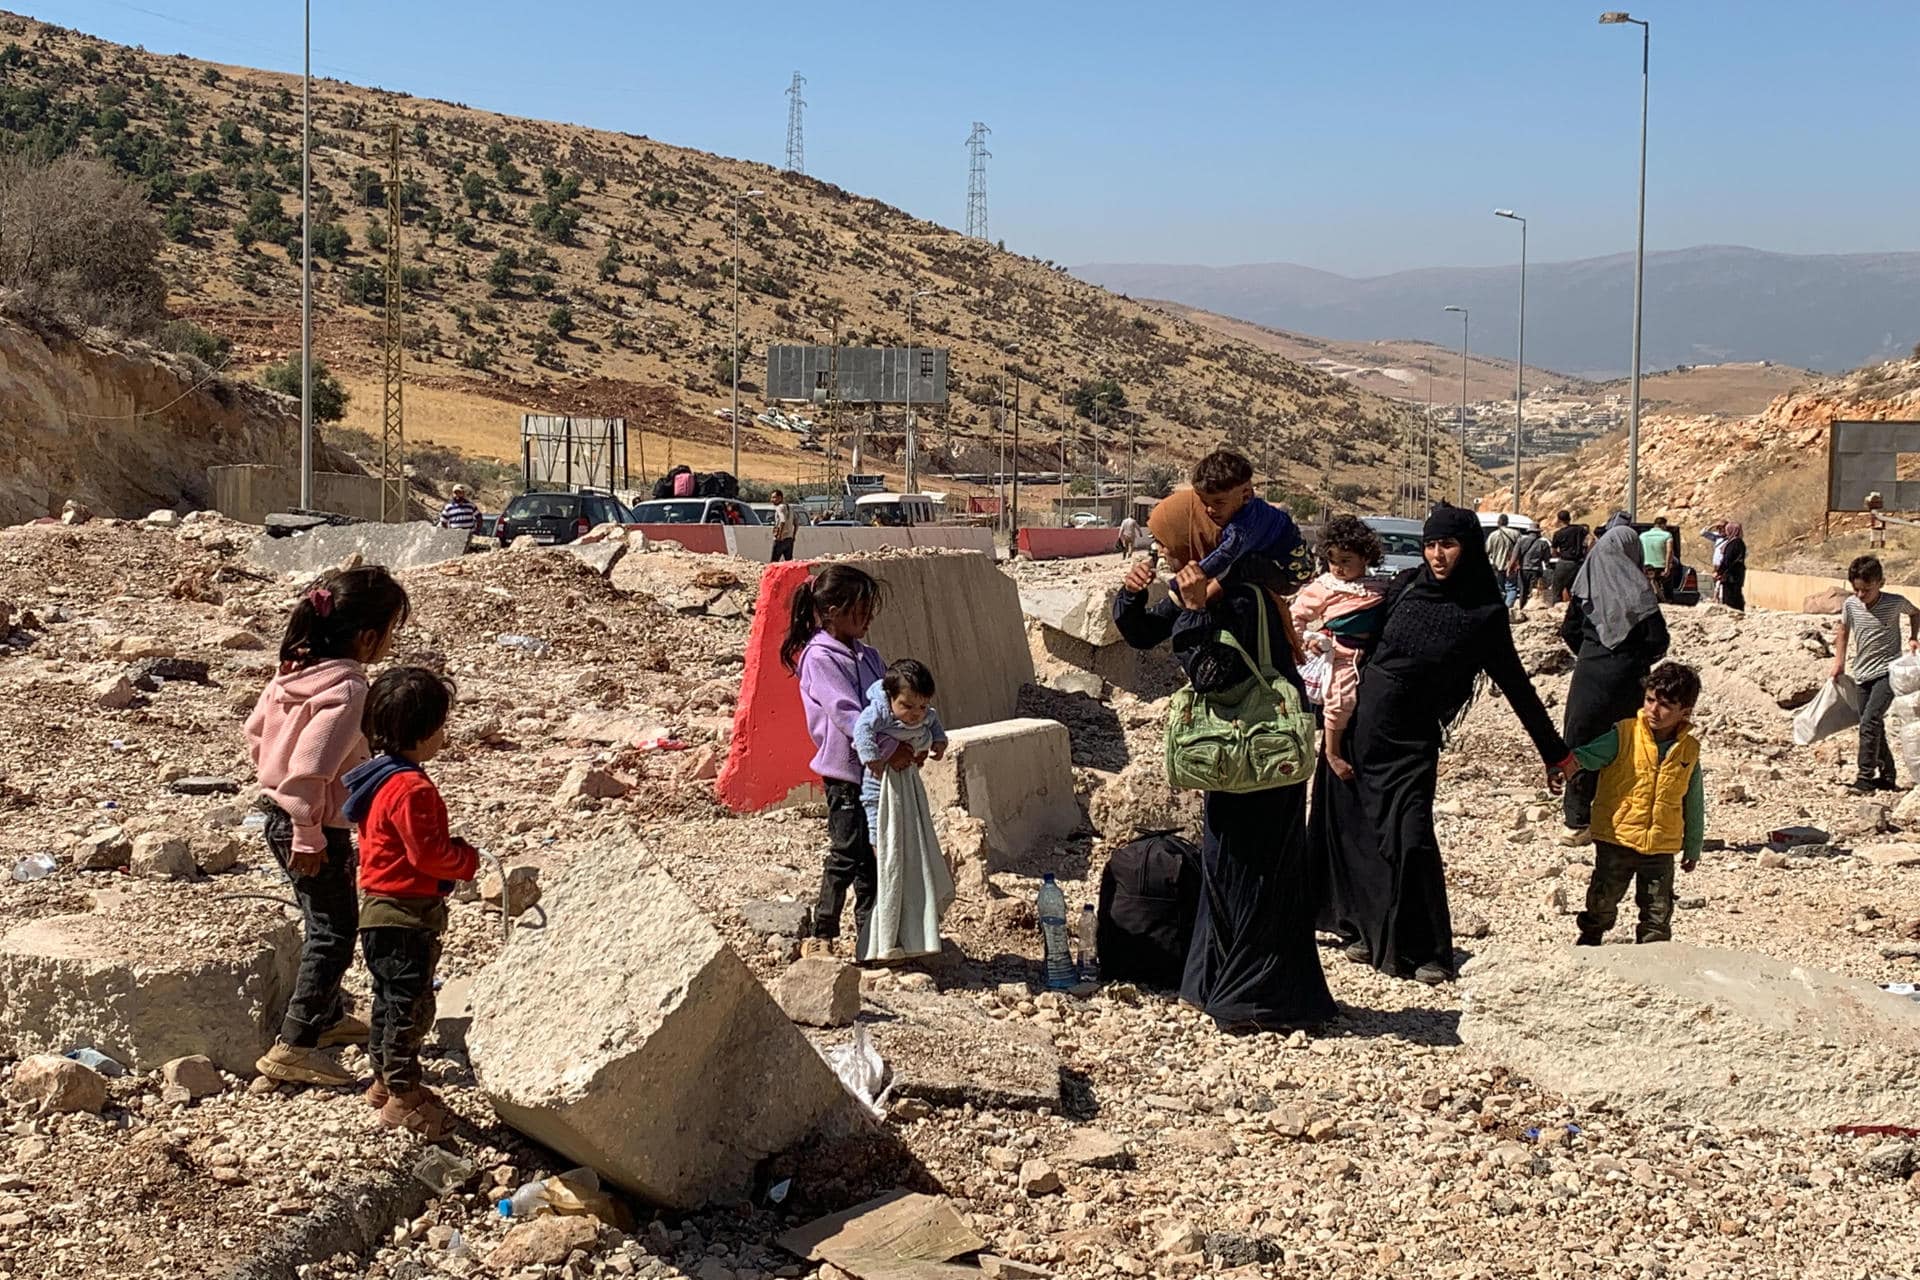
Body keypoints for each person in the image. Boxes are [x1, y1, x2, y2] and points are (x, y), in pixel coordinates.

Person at [1311, 505, 1573, 985]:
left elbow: (1516, 686)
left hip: (1413, 743)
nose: (1437, 554)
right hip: (1359, 729)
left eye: (1447, 545)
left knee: (1410, 838)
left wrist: (1554, 753)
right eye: (1431, 544)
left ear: (1468, 548)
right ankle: (1360, 929)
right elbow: (1355, 633)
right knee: (1355, 832)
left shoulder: (1484, 612)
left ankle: (1426, 950)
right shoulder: (1407, 585)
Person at [1113, 547, 1337, 1033]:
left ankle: (1258, 999)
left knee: (1255, 874)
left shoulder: (1243, 599)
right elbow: (1142, 633)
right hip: (1234, 762)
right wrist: (1131, 596)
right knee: (1223, 867)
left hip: (1260, 762)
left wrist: (1195, 612)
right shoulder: (1203, 591)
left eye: (1173, 549)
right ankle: (1211, 984)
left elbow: (1215, 676)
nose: (1167, 558)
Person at [246, 566, 411, 1086]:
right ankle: (294, 1044)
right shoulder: (347, 688)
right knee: (334, 932)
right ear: (367, 637)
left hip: (280, 813)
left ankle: (328, 1016)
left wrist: (279, 786)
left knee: (324, 919)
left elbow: (254, 734)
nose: (390, 642)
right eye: (390, 632)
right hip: (313, 827)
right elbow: (312, 768)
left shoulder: (291, 675)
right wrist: (309, 830)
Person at [340, 667, 478, 1139]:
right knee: (409, 1007)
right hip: (405, 914)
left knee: (387, 1002)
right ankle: (402, 1094)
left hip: (378, 910)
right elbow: (429, 856)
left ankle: (382, 1081)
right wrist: (465, 860)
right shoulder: (413, 787)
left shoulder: (379, 777)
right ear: (427, 732)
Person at [783, 564, 909, 957]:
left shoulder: (868, 655)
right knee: (846, 853)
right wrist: (889, 749)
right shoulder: (820, 658)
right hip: (845, 775)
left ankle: (870, 938)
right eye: (860, 609)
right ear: (832, 610)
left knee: (869, 860)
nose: (868, 617)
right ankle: (823, 932)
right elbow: (848, 715)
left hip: (873, 774)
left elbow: (887, 706)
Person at [1572, 663, 1705, 946]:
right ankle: (1590, 939)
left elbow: (1693, 801)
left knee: (1658, 910)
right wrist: (1562, 765)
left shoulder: (1689, 751)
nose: (1653, 710)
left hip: (1661, 845)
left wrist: (1693, 845)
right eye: (1650, 700)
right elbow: (1588, 757)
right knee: (1603, 900)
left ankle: (1653, 957)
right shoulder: (1624, 735)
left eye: (1666, 705)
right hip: (1617, 838)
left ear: (1685, 711)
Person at [1559, 525, 1670, 845]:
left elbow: (1569, 631)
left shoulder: (1585, 586)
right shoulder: (1638, 591)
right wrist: (1635, 659)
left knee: (1581, 745)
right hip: (1628, 681)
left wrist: (1592, 654)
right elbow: (1658, 639)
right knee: (1628, 748)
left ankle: (1576, 822)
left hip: (1589, 678)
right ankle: (1621, 819)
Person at [851, 659, 954, 961]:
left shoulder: (924, 715)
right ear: (890, 697)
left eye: (920, 708)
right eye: (907, 707)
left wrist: (938, 743)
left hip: (907, 784)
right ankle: (881, 938)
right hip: (878, 787)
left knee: (910, 848)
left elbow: (933, 723)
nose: (914, 715)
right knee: (883, 847)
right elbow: (861, 731)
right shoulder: (879, 712)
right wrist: (876, 759)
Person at [1290, 515, 1386, 782]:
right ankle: (1332, 752)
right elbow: (1294, 616)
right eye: (1333, 561)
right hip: (1342, 655)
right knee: (1341, 700)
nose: (1339, 568)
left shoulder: (1378, 587)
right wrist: (1305, 640)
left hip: (1375, 654)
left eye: (1346, 561)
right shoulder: (1324, 587)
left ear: (1365, 557)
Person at [1830, 555, 1920, 793]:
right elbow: (1843, 631)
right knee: (1871, 723)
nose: (1861, 595)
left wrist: (1913, 637)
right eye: (1856, 589)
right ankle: (1888, 775)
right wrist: (1839, 662)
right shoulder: (1851, 605)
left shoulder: (1895, 602)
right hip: (1862, 673)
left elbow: (1915, 613)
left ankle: (1865, 777)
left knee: (1870, 721)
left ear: (1881, 582)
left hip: (1887, 673)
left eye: (1866, 590)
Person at [1177, 450, 1307, 611]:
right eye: (1204, 502)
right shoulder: (1250, 510)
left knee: (1241, 564)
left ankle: (1202, 602)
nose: (1209, 510)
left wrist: (1185, 581)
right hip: (1283, 566)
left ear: (1246, 494)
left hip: (1288, 578)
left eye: (1219, 502)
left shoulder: (1242, 528)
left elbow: (1223, 556)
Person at [1548, 509, 1588, 604]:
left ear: (1559, 520)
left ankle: (1557, 611)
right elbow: (1589, 540)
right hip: (1578, 563)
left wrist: (1560, 554)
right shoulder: (1579, 529)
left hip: (1564, 562)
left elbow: (1553, 551)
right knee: (1575, 589)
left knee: (1557, 589)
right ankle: (1575, 612)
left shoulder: (1558, 534)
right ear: (1570, 518)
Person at [1485, 514, 1521, 608]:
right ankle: (1508, 608)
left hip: (1498, 566)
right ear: (1507, 522)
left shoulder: (1493, 535)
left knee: (1500, 589)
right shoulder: (1516, 534)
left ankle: (1500, 608)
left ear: (1498, 523)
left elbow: (1487, 551)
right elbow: (1520, 549)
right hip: (1512, 566)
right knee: (1511, 588)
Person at [1640, 516, 1675, 601]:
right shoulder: (1667, 535)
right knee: (1667, 584)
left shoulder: (1642, 536)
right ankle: (1667, 600)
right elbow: (1669, 551)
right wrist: (1667, 567)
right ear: (1663, 525)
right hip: (1661, 565)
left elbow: (1639, 550)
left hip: (1646, 564)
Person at [1715, 521, 1747, 611]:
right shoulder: (1738, 542)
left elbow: (1727, 560)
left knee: (1730, 595)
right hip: (1737, 573)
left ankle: (1733, 613)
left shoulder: (1734, 543)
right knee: (1736, 593)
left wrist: (1719, 572)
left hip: (1731, 575)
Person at [1518, 523, 1551, 607]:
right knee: (1533, 591)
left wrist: (1510, 567)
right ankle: (1530, 608)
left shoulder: (1521, 541)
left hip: (1523, 569)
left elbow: (1515, 555)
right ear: (1538, 532)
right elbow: (1546, 558)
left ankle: (1521, 607)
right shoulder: (1543, 543)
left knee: (1523, 591)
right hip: (1536, 570)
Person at [769, 489, 797, 561]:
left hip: (781, 540)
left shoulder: (779, 507)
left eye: (774, 497)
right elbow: (796, 523)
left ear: (780, 498)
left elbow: (782, 521)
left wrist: (779, 536)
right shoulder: (790, 508)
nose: (772, 500)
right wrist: (793, 536)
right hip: (789, 540)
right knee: (788, 563)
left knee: (774, 563)